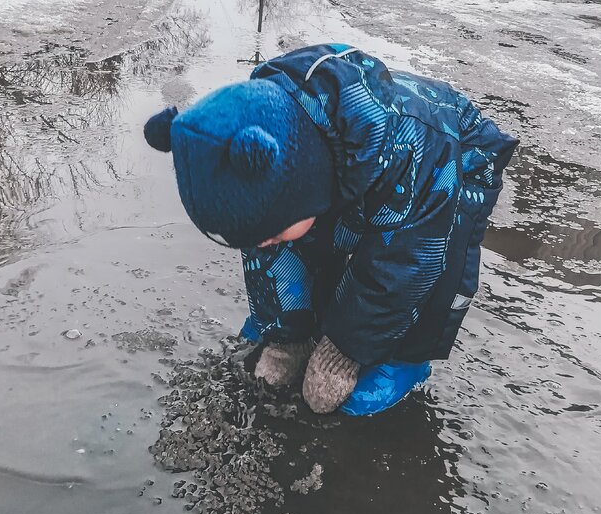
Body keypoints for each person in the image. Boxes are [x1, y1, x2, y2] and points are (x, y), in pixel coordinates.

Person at [144, 44, 517, 416]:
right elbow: (270, 248)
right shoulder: (266, 143)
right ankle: (296, 330)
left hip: (454, 159)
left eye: (265, 231)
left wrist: (344, 351)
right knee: (297, 241)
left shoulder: (412, 150)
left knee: (426, 260)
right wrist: (284, 335)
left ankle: (404, 359)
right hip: (345, 166)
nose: (258, 243)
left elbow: (402, 268)